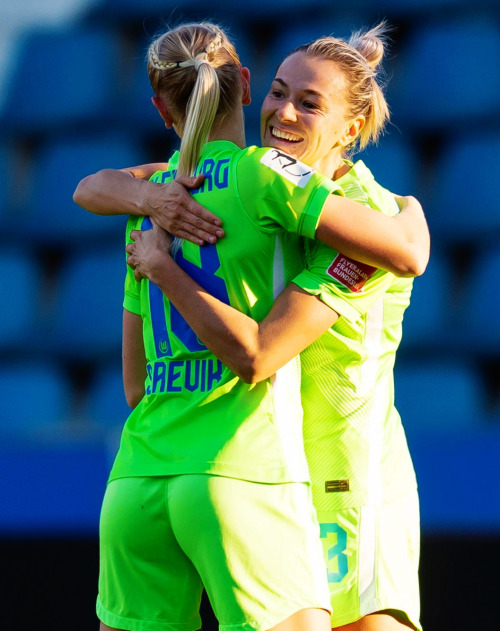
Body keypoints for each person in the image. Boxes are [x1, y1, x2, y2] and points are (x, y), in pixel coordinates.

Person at [74, 22, 429, 631]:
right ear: (245, 87)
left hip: (347, 482)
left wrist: (414, 217)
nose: (283, 110)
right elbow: (100, 186)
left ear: (351, 129)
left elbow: (406, 250)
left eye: (309, 103)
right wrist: (146, 199)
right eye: (278, 92)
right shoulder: (250, 182)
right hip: (264, 471)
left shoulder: (366, 215)